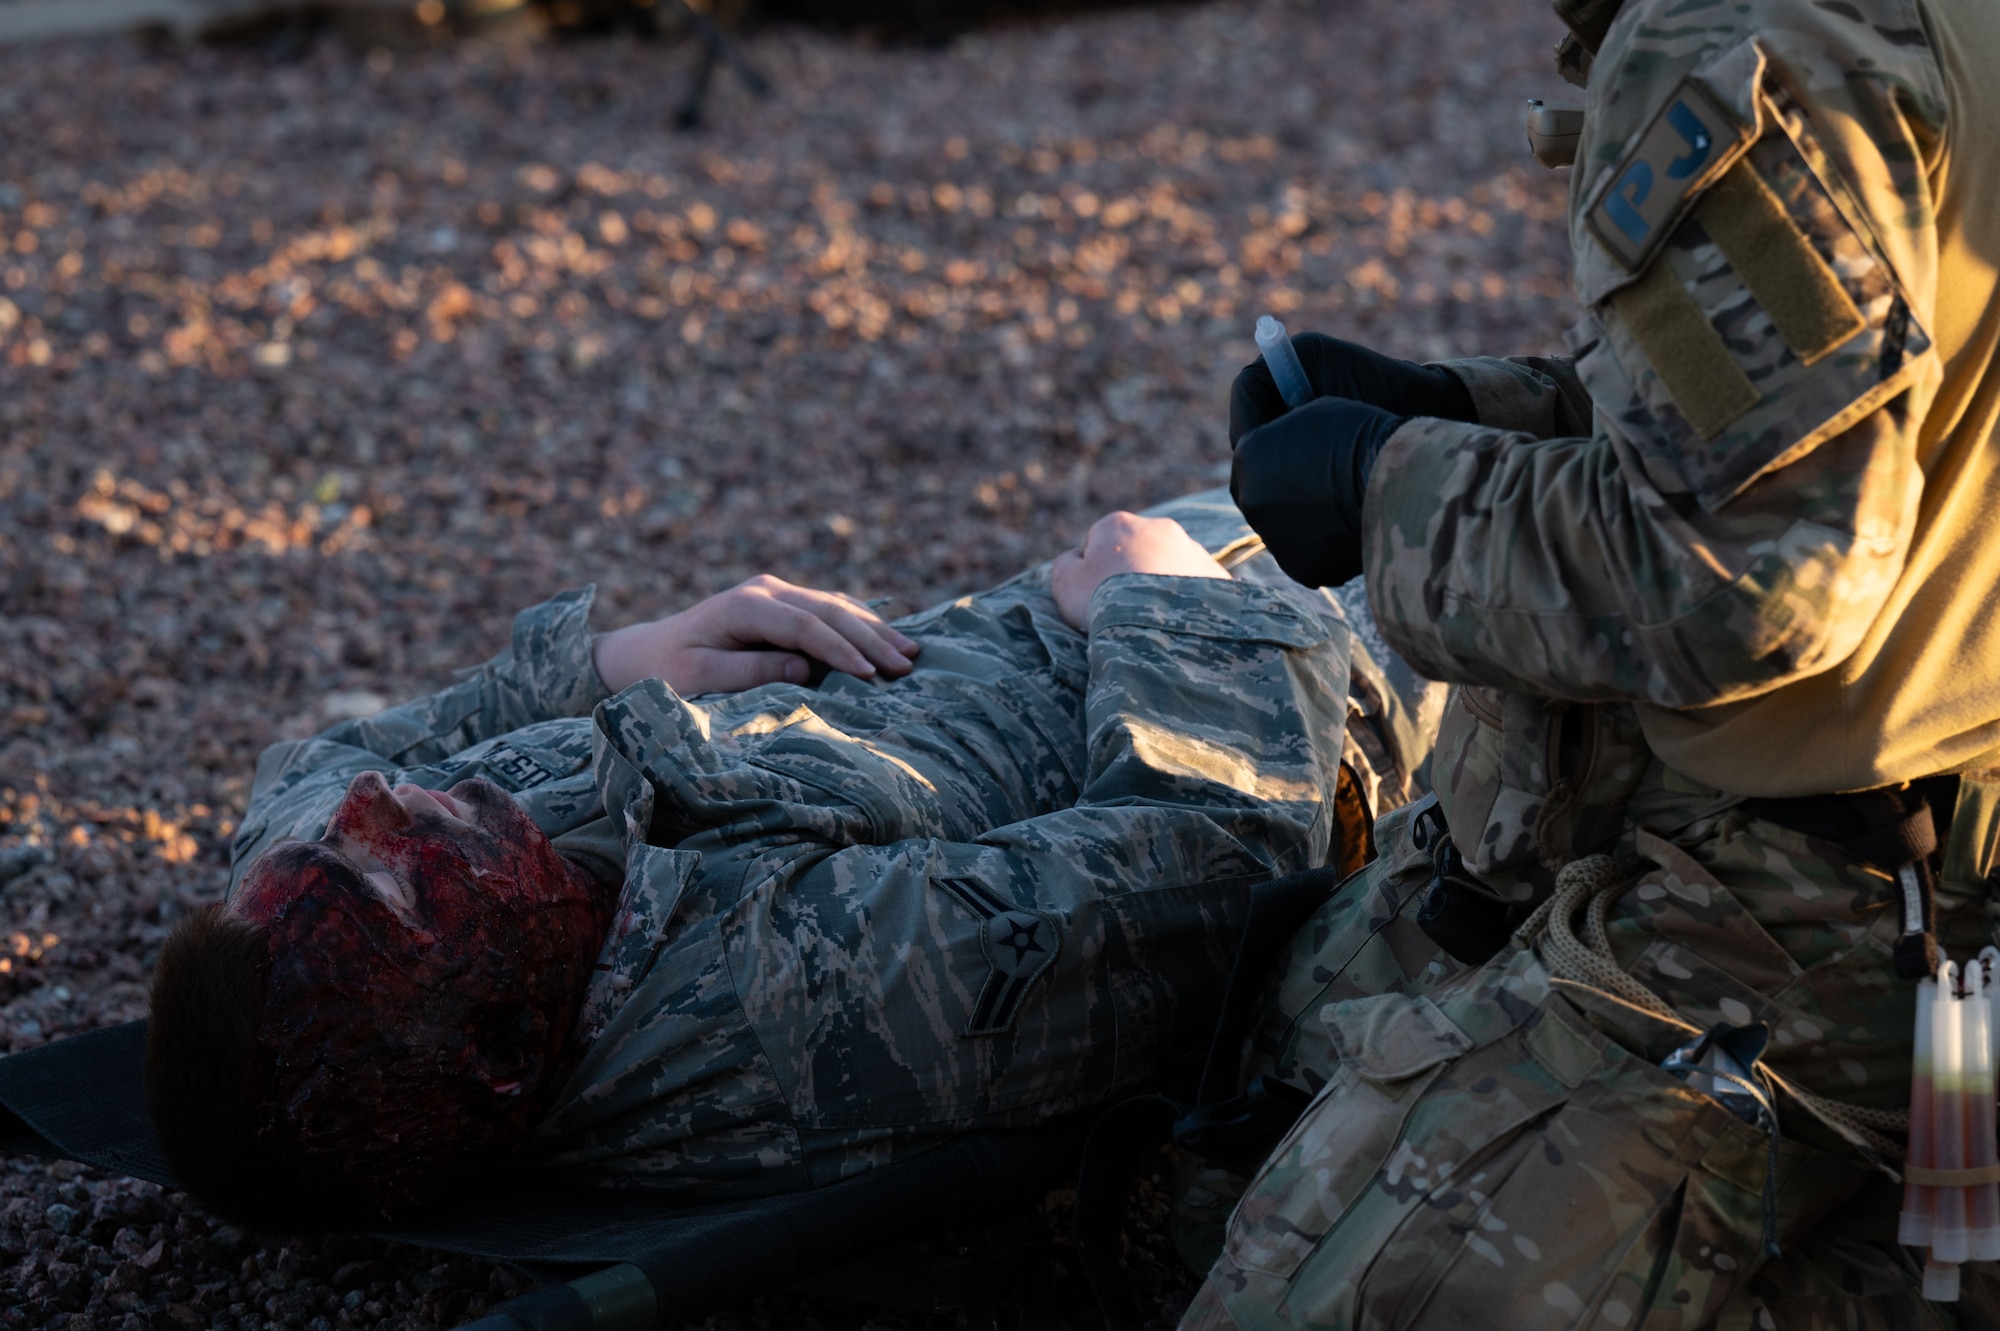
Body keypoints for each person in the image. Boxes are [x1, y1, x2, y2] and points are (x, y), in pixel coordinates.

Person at [1190, 0, 2000, 1323]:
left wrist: (1385, 491)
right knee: (1279, 1072)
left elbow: (1748, 583)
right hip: (1921, 861)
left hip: (1816, 923)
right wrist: (1465, 411)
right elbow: (1835, 416)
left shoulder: (1740, 38)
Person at [145, 494, 1440, 1227]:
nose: (380, 799)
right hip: (1334, 676)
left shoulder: (352, 903)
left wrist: (614, 659)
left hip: (1113, 594)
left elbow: (313, 770)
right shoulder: (812, 995)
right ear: (494, 1047)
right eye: (385, 868)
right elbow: (1217, 873)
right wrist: (1177, 606)